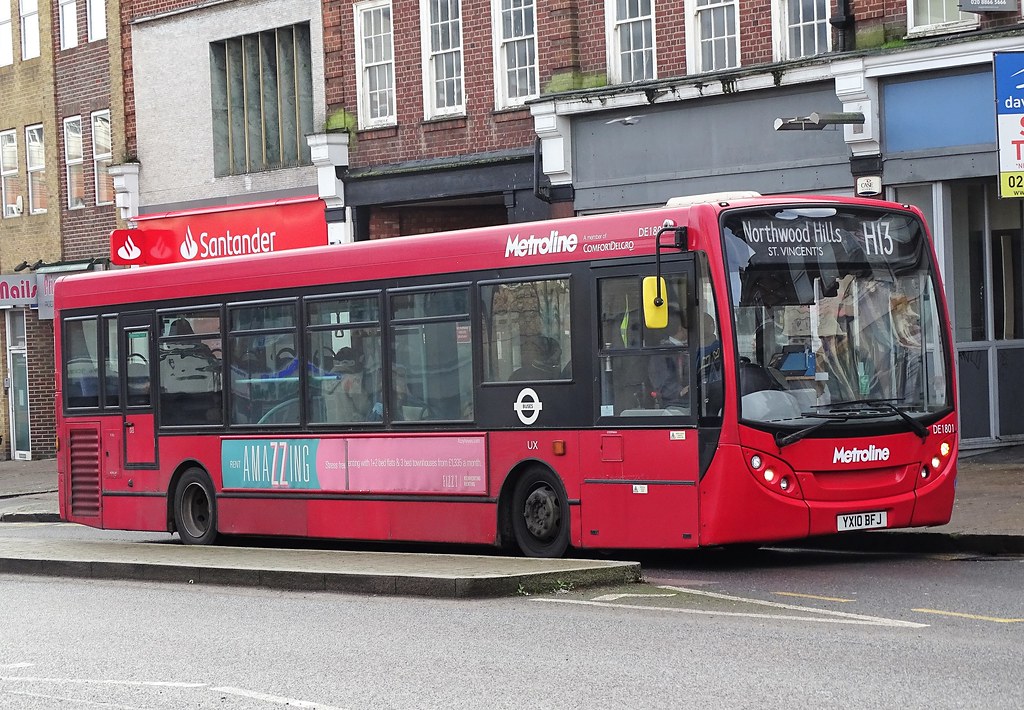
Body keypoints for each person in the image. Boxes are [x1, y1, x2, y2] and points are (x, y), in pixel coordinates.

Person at [648, 314, 690, 408]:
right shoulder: (662, 353)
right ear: (680, 328)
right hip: (672, 403)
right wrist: (680, 391)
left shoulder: (685, 348)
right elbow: (660, 381)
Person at [323, 347, 368, 422]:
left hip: (331, 424)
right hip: (350, 425)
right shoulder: (351, 380)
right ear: (352, 362)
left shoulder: (326, 380)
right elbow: (363, 406)